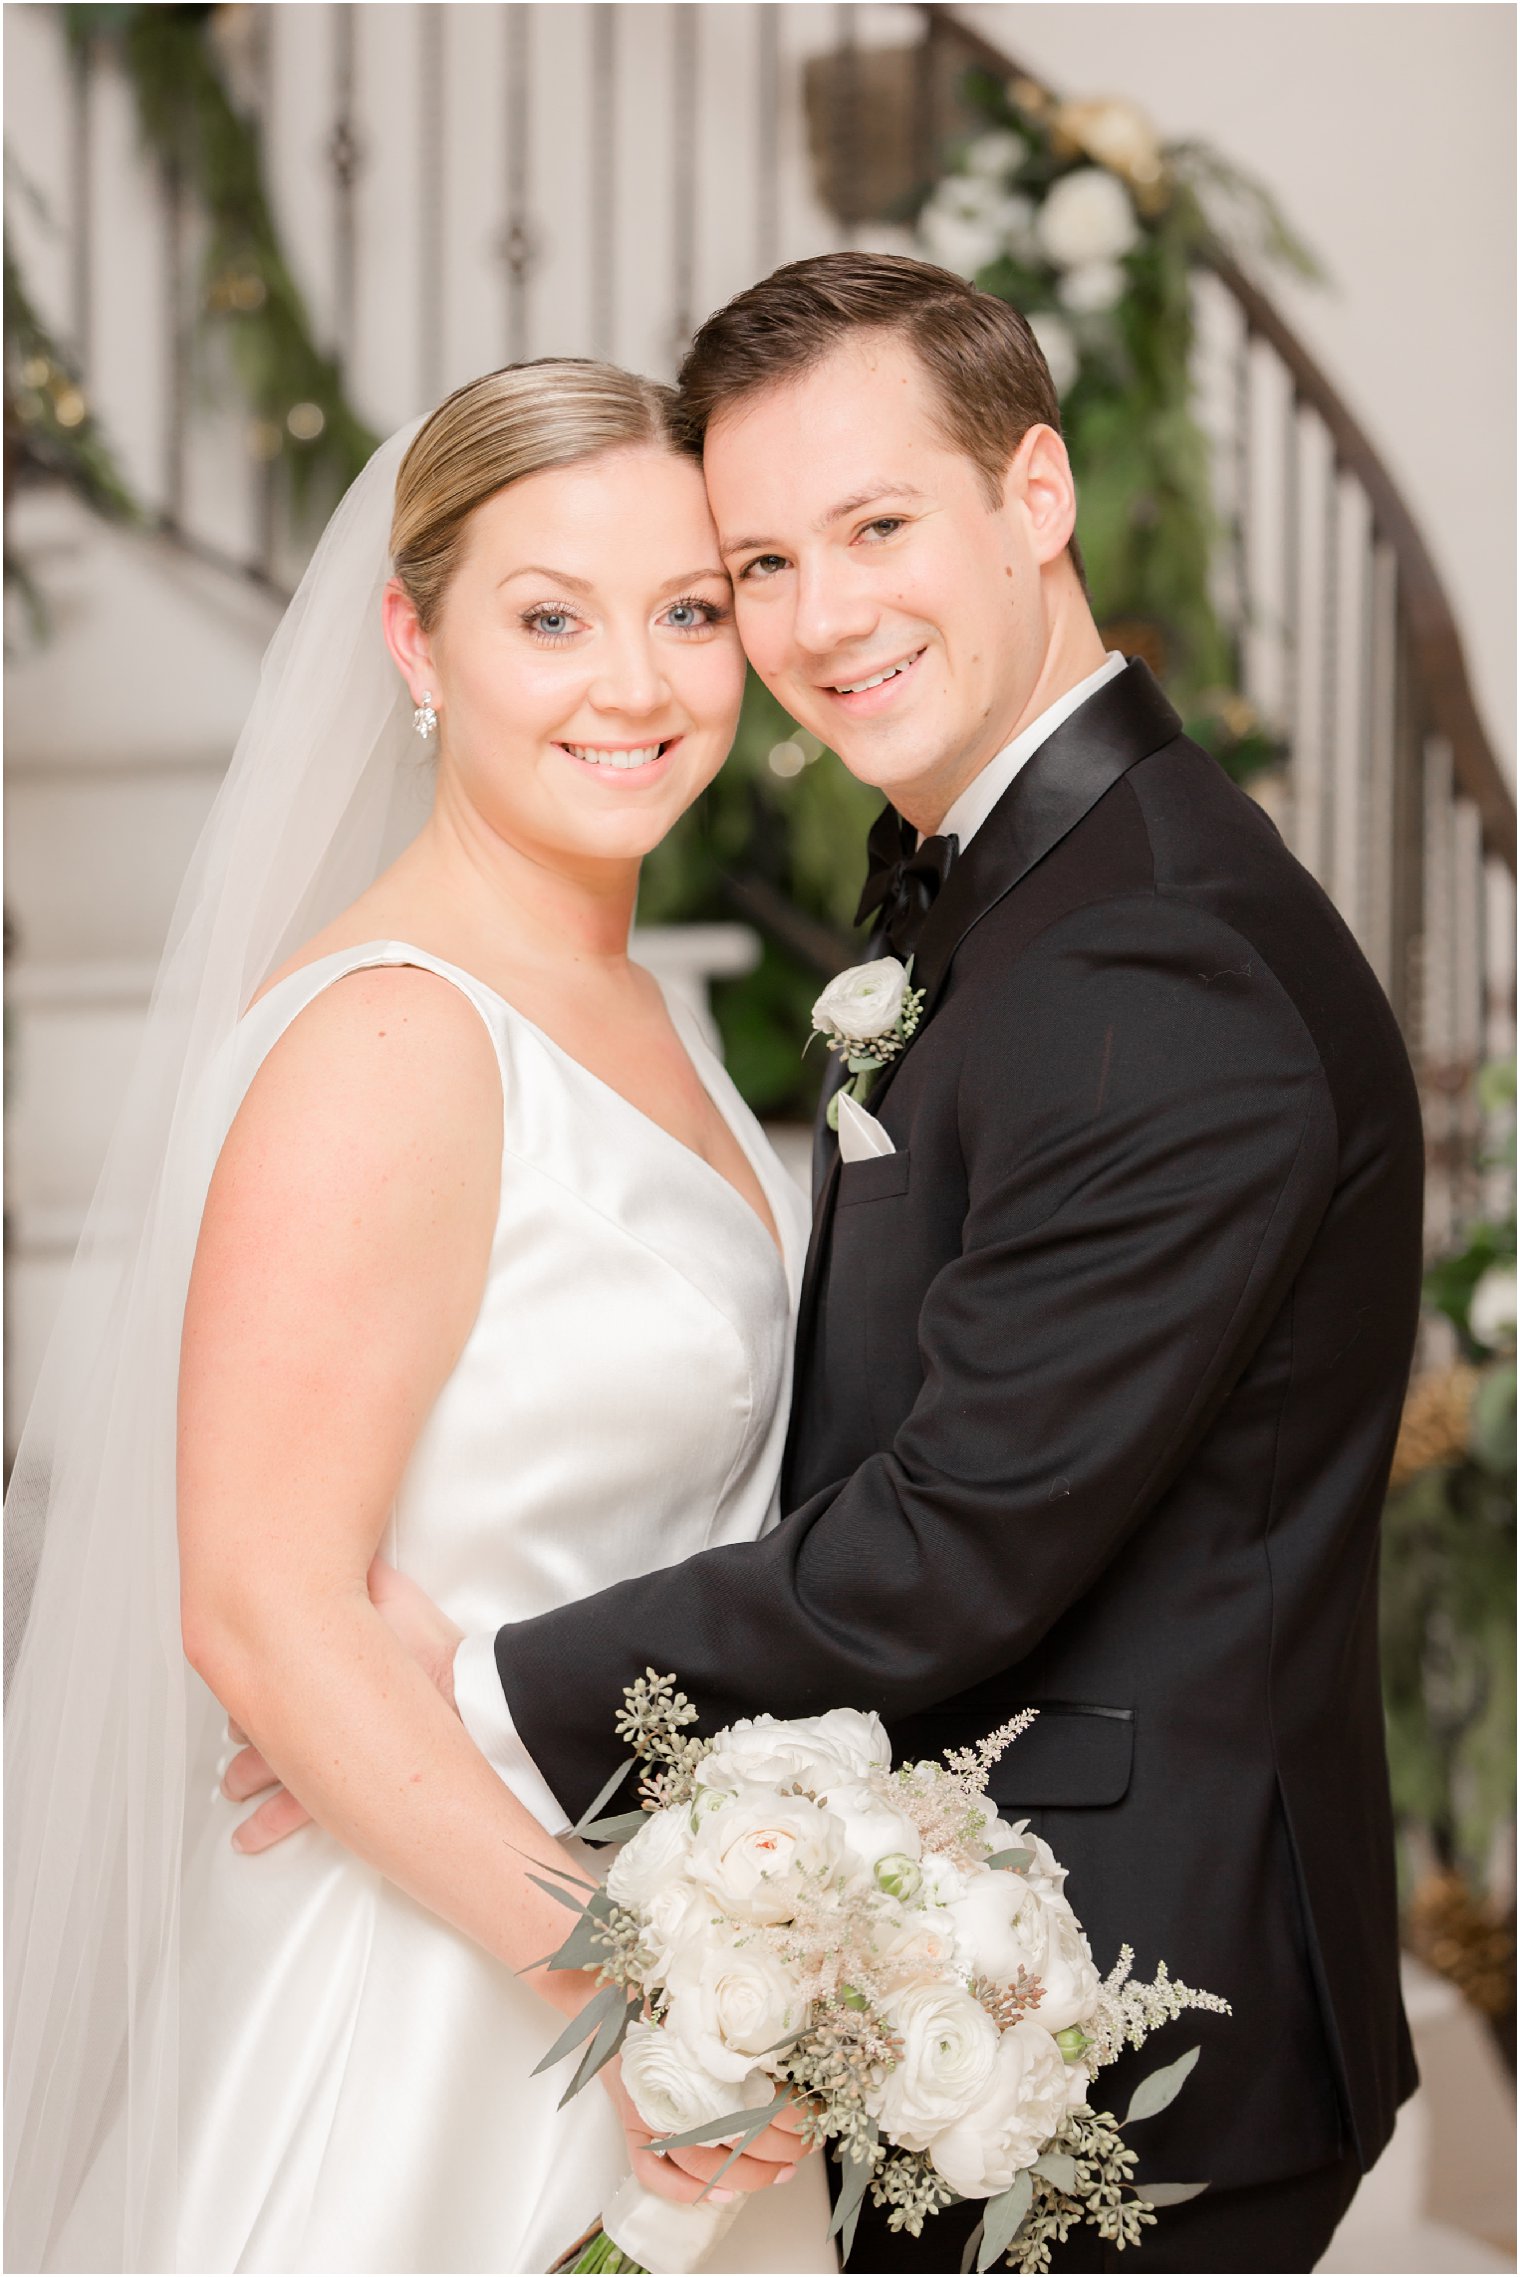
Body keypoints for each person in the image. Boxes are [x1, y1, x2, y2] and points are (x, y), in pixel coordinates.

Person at [236, 255, 1425, 2274]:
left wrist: (457, 1695)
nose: (819, 619)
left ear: (1034, 494)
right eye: (760, 561)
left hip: (1102, 2022)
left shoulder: (1154, 951)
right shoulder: (1017, 886)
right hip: (919, 1976)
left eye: (877, 527)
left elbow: (955, 1532)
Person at [3, 362, 832, 2273]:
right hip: (432, 1995)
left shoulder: (633, 993)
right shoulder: (397, 1031)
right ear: (414, 635)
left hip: (621, 1930)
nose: (633, 684)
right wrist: (635, 1998)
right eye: (550, 616)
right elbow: (260, 1605)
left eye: (689, 610)